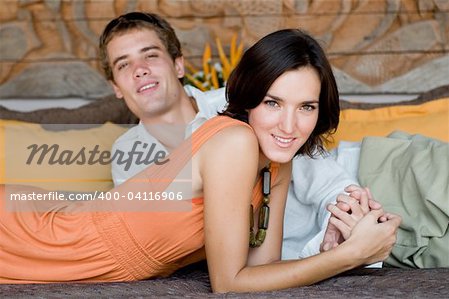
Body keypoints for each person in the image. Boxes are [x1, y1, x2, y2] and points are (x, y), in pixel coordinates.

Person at [0, 14, 401, 291]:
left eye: (306, 108)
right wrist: (349, 256)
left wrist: (329, 249)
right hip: (37, 235)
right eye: (272, 103)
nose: (289, 126)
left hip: (72, 250)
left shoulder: (278, 166)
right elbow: (229, 284)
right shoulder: (234, 141)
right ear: (247, 99)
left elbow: (260, 275)